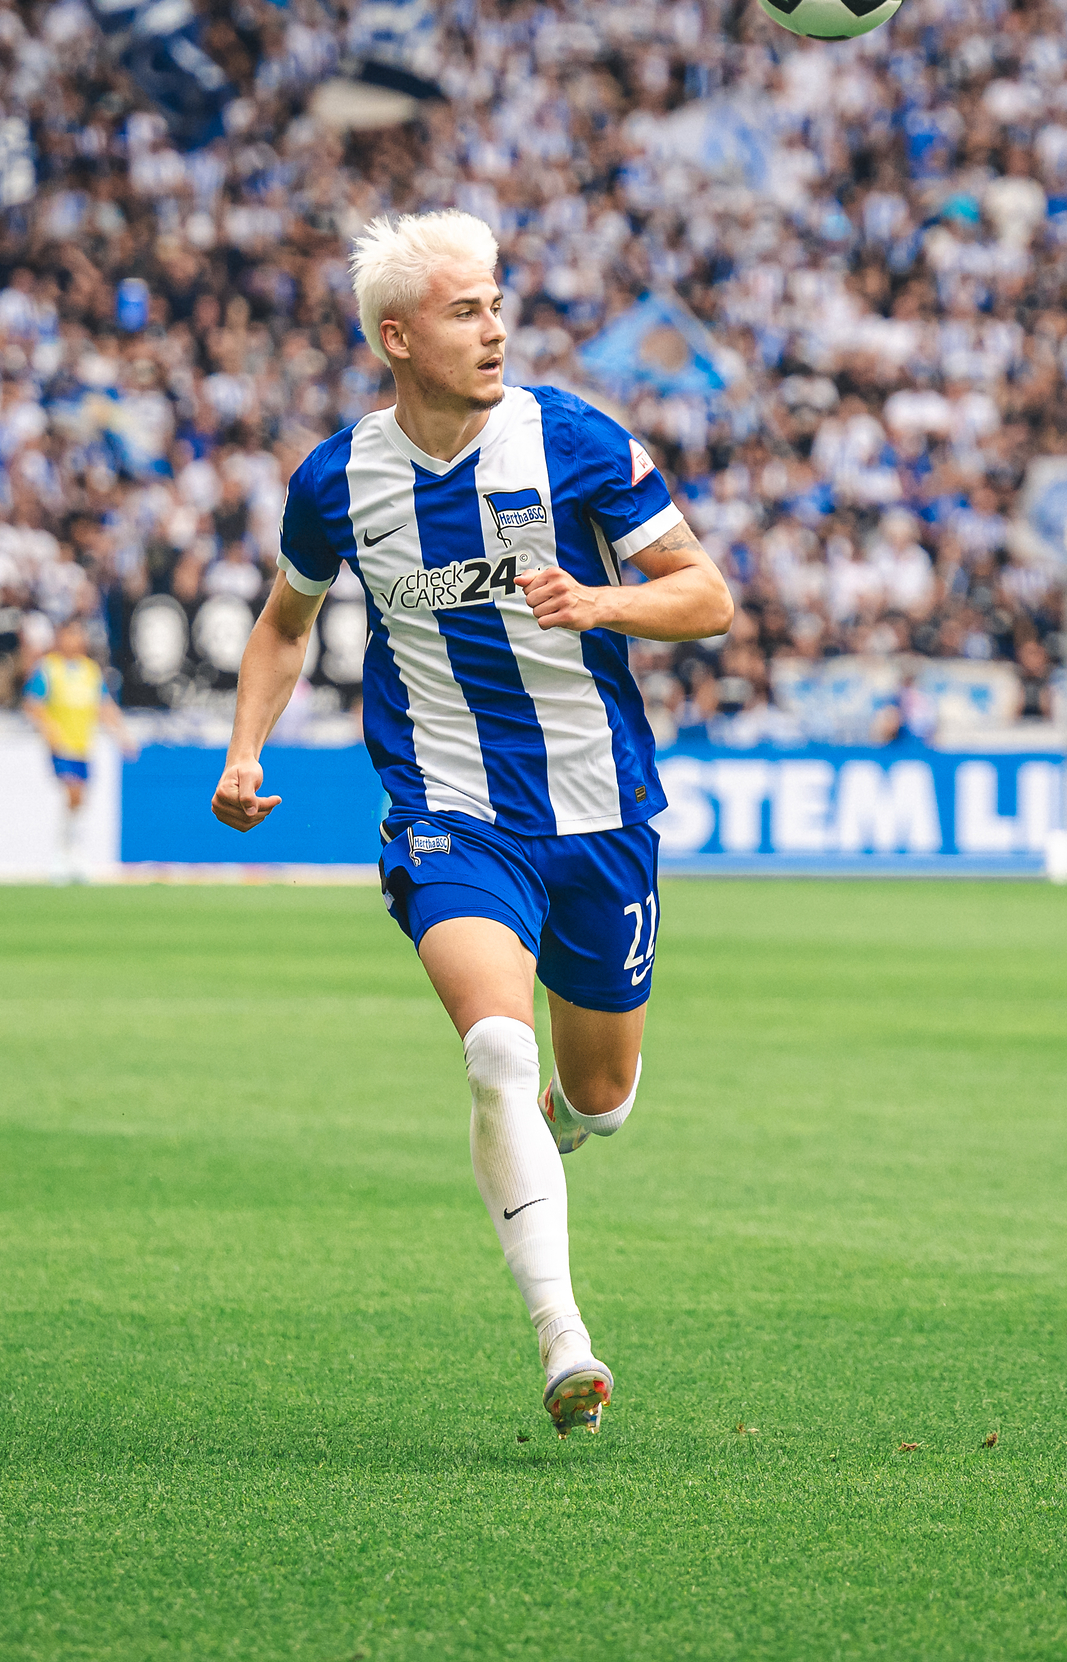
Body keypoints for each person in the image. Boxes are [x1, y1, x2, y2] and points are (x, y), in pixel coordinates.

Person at [210, 210, 733, 1439]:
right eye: (465, 309)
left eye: (497, 302)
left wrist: (598, 600)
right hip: (451, 815)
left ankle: (535, 1156)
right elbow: (287, 623)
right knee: (497, 1050)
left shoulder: (576, 441)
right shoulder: (338, 480)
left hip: (600, 815)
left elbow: (707, 596)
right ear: (397, 337)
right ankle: (565, 1335)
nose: (494, 326)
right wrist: (245, 748)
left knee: (597, 1099)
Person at [20, 618, 127, 881]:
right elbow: (33, 703)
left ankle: (73, 852)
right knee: (72, 793)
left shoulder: (90, 671)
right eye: (69, 635)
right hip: (61, 745)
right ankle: (63, 853)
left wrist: (122, 735)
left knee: (79, 801)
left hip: (82, 745)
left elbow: (104, 706)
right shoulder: (49, 668)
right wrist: (48, 730)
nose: (74, 641)